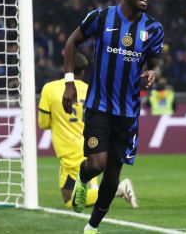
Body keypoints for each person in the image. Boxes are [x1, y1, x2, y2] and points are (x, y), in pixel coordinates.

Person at [62, 0, 163, 234]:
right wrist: (70, 82)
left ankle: (92, 227)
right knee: (96, 164)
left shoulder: (153, 29)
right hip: (99, 106)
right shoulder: (101, 17)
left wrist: (154, 72)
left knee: (113, 173)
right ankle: (83, 179)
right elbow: (72, 42)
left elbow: (155, 62)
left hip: (128, 113)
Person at [38, 53, 138, 209]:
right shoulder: (93, 90)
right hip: (93, 146)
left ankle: (118, 188)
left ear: (66, 68)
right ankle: (115, 189)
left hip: (69, 149)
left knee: (70, 200)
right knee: (81, 197)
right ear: (83, 72)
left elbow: (43, 123)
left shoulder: (50, 89)